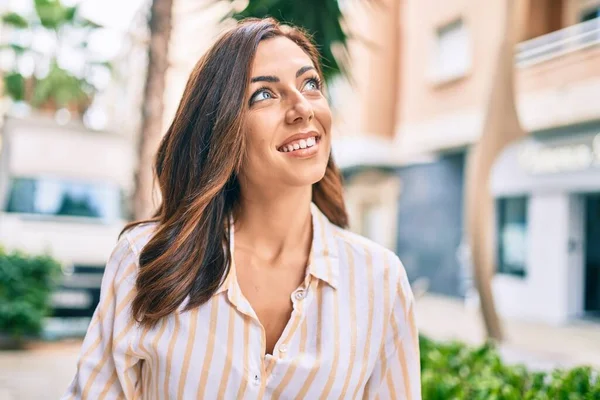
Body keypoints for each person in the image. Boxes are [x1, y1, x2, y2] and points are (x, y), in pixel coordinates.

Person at [63, 17, 421, 399]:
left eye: (310, 84)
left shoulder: (379, 279)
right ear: (221, 129)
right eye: (264, 94)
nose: (302, 108)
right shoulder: (147, 259)